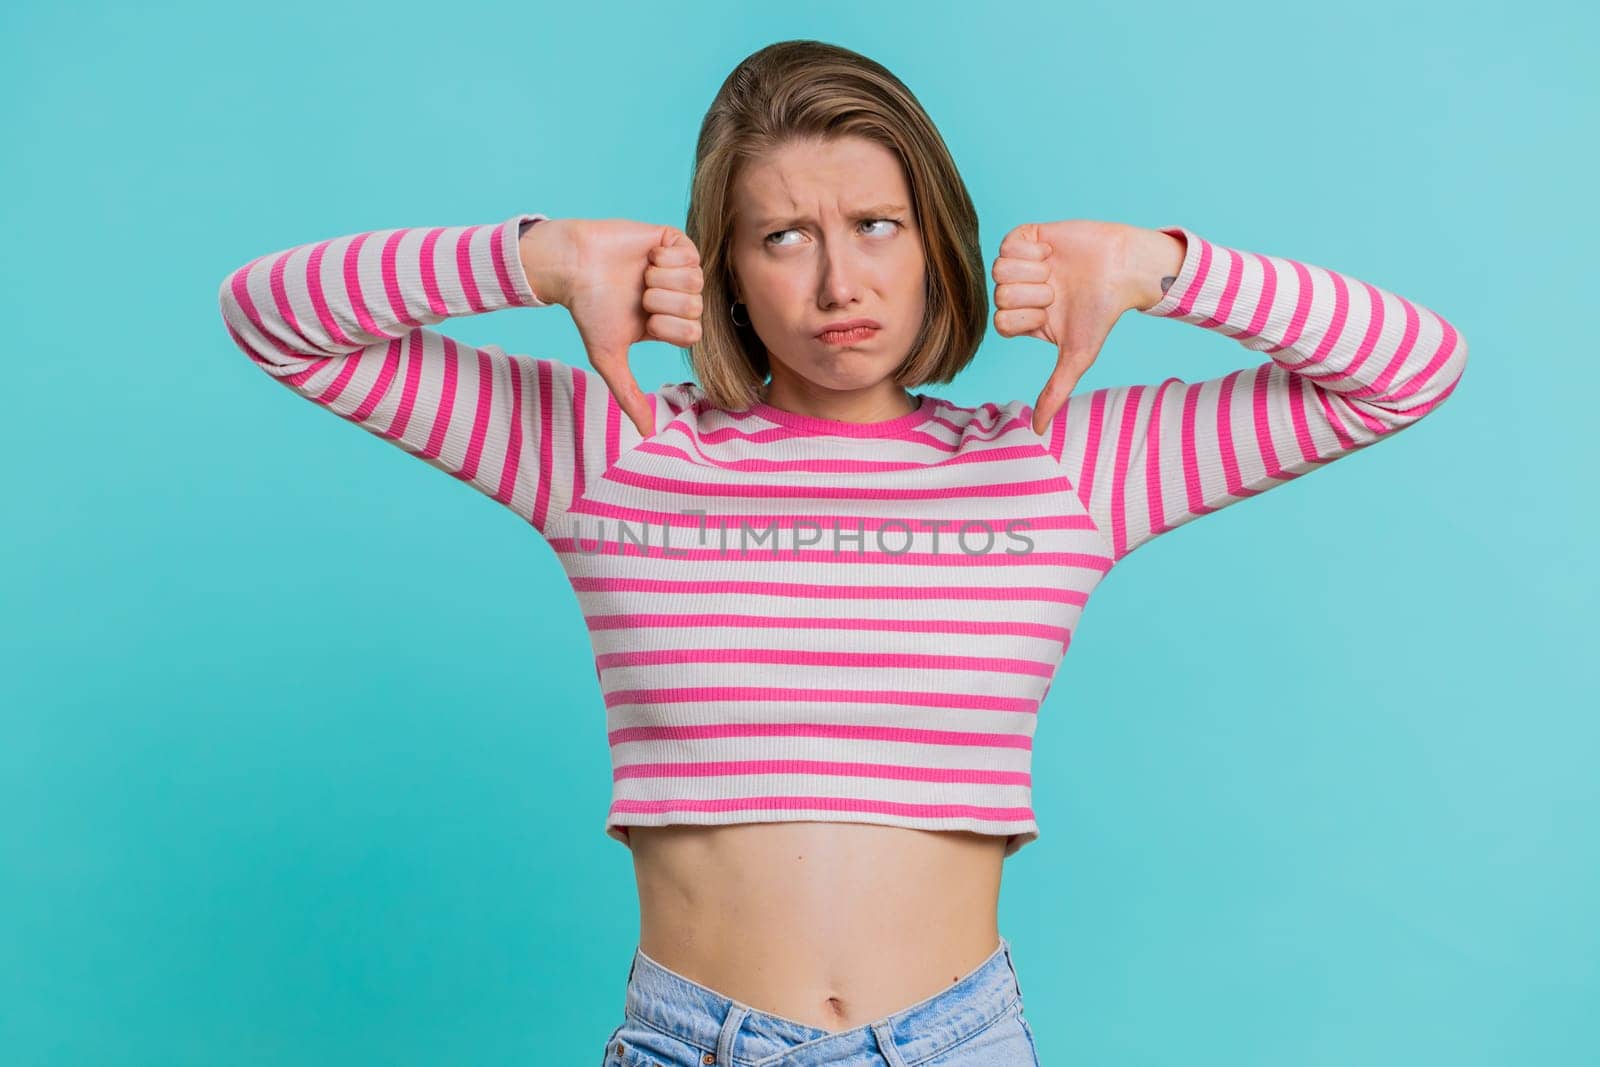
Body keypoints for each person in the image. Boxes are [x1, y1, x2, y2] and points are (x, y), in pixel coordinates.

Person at [216, 38, 1467, 1067]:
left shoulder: (1051, 460)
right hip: (687, 1042)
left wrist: (1161, 266)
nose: (835, 283)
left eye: (875, 223)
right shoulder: (621, 449)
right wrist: (537, 257)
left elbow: (1404, 370)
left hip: (958, 1042)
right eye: (781, 237)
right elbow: (275, 322)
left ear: (937, 237)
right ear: (723, 273)